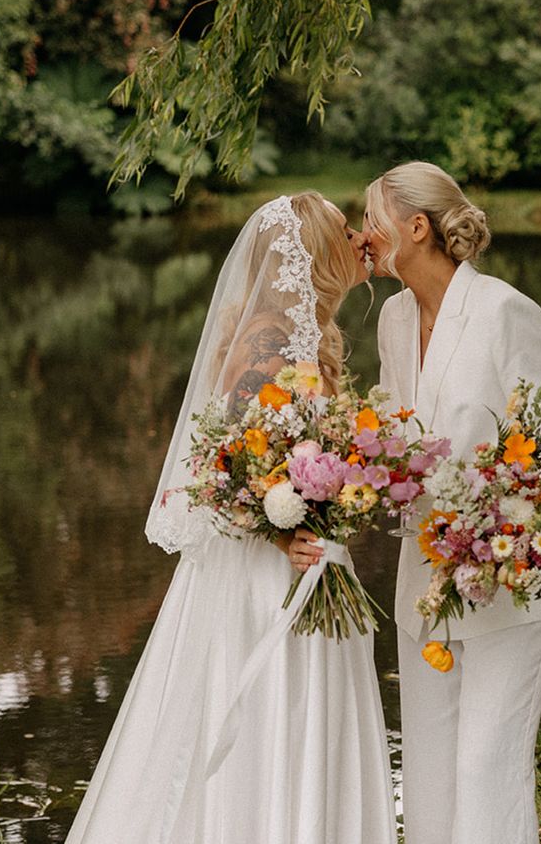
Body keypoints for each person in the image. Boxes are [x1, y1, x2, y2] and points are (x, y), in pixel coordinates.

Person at [64, 193, 397, 844]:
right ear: (314, 255)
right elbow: (225, 469)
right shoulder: (267, 340)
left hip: (304, 559)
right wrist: (284, 532)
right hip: (262, 581)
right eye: (344, 231)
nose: (359, 236)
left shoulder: (307, 338)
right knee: (260, 728)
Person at [364, 161, 541, 844]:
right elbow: (400, 438)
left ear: (417, 227)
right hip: (423, 585)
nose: (361, 232)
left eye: (371, 218)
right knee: (428, 764)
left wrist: (491, 521)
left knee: (489, 763)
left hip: (513, 578)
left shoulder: (504, 311)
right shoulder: (394, 320)